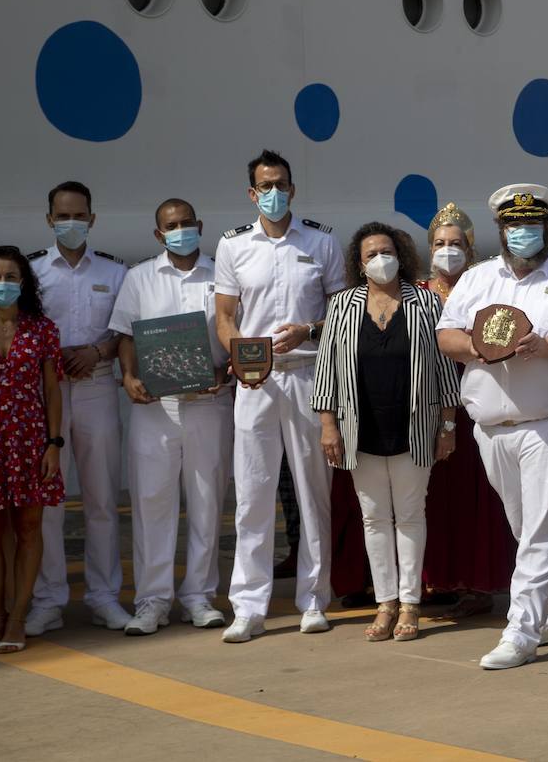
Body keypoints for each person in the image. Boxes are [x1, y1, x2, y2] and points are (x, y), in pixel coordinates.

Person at [437, 184, 548, 670]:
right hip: (491, 425)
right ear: (500, 230)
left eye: (531, 224)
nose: (522, 233)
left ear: (546, 226)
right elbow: (446, 334)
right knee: (526, 529)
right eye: (513, 225)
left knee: (543, 530)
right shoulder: (478, 278)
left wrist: (546, 347)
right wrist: (477, 348)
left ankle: (520, 631)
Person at [215, 150, 346, 642]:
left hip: (310, 375)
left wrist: (308, 331)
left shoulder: (321, 241)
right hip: (255, 381)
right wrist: (243, 358)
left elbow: (340, 308)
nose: (274, 192)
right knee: (252, 492)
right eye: (264, 185)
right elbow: (226, 317)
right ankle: (248, 606)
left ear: (292, 188)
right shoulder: (233, 246)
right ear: (252, 193)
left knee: (314, 491)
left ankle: (314, 598)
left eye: (282, 184)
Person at [313, 223, 459, 643]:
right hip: (361, 429)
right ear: (359, 265)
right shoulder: (341, 306)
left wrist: (447, 425)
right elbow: (326, 371)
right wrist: (328, 426)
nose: (381, 259)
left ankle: (410, 604)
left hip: (414, 427)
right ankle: (385, 603)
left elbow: (444, 368)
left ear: (401, 255)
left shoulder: (425, 302)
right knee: (374, 518)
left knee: (411, 515)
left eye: (387, 251)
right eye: (371, 254)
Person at [109, 199, 233, 634]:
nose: (180, 230)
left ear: (200, 225)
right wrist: (127, 376)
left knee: (206, 503)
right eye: (171, 226)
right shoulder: (139, 276)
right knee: (152, 504)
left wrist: (226, 369)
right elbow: (124, 334)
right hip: (155, 409)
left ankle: (199, 597)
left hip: (209, 404)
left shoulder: (222, 273)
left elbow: (235, 331)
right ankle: (152, 601)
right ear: (158, 235)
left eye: (187, 223)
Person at [26, 181, 129, 635]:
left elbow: (126, 332)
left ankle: (104, 595)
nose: (71, 222)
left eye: (79, 215)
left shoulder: (115, 271)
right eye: (62, 215)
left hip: (97, 390)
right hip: (44, 398)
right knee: (49, 501)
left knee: (102, 499)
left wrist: (98, 352)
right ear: (49, 220)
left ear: (92, 218)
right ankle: (48, 599)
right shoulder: (31, 273)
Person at [420, 203, 515, 618]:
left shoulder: (484, 288)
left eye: (456, 243)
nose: (448, 250)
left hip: (475, 403)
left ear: (471, 248)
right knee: (432, 497)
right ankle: (434, 579)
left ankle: (479, 582)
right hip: (429, 407)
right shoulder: (418, 293)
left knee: (478, 497)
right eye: (440, 243)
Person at [0, 247, 64, 652]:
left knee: (27, 530)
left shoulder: (41, 329)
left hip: (29, 439)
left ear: (23, 283)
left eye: (9, 277)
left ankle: (18, 617)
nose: (2, 284)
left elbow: (53, 391)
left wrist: (53, 444)